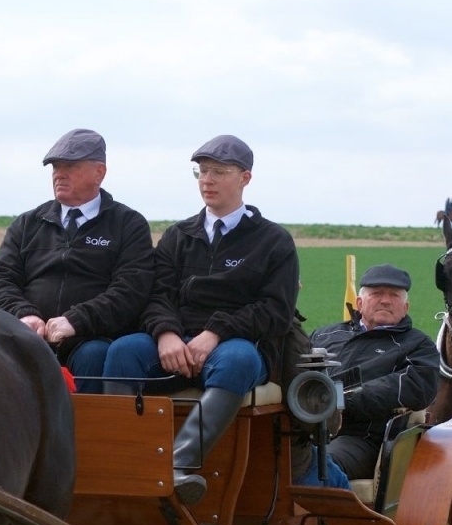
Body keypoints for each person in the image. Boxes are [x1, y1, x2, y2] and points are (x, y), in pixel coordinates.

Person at [102, 134, 302, 503]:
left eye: (219, 172)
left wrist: (215, 333)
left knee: (238, 360)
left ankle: (177, 469)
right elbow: (156, 294)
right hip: (176, 339)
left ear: (245, 178)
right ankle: (126, 460)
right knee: (123, 352)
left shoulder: (273, 241)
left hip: (237, 344)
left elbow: (275, 311)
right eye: (202, 171)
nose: (207, 180)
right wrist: (165, 334)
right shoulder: (179, 236)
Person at [0, 128, 153, 393]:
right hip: (30, 338)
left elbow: (130, 290)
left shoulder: (127, 224)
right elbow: (0, 281)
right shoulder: (28, 224)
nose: (59, 174)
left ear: (100, 172)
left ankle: (84, 433)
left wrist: (75, 321)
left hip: (91, 339)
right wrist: (24, 314)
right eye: (55, 167)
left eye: (70, 166)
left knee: (94, 355)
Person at [308, 264, 441, 480]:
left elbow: (416, 388)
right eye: (377, 293)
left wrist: (340, 397)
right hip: (306, 429)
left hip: (362, 439)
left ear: (405, 306)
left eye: (394, 295)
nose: (385, 300)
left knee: (317, 463)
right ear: (360, 303)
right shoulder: (324, 335)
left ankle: (330, 513)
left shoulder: (417, 346)